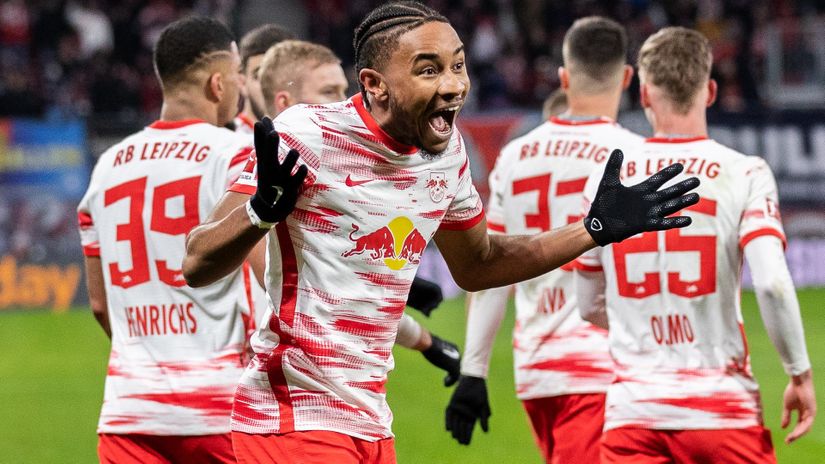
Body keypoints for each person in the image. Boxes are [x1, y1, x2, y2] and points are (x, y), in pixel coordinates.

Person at [182, 2, 699, 463]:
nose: (453, 84)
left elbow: (481, 264)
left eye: (457, 65)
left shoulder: (445, 155)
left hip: (368, 422)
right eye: (428, 70)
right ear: (375, 84)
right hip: (292, 419)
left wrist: (592, 229)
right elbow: (197, 263)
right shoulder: (304, 136)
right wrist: (259, 211)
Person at [575, 26, 816, 463]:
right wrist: (799, 373)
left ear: (645, 94)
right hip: (722, 412)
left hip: (633, 413)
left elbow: (588, 303)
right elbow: (774, 285)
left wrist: (642, 328)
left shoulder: (604, 181)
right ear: (709, 91)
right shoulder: (744, 171)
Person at [446, 17, 642, 461]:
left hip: (537, 371)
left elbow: (490, 267)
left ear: (564, 78)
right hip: (602, 366)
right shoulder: (632, 153)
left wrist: (474, 371)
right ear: (627, 78)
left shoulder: (516, 154)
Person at [77, 16, 255, 463]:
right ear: (218, 83)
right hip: (221, 411)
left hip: (129, 412)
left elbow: (100, 304)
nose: (240, 87)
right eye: (237, 75)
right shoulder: (233, 155)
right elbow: (261, 276)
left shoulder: (107, 167)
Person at [256, 38, 463, 384]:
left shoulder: (317, 181)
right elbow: (331, 296)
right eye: (328, 92)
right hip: (266, 377)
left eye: (343, 91)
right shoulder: (261, 170)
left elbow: (342, 292)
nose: (343, 104)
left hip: (301, 375)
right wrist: (425, 341)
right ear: (286, 103)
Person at [232, 24, 295, 134]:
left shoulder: (312, 140)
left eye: (284, 76)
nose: (272, 86)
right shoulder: (226, 145)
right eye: (261, 76)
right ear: (242, 82)